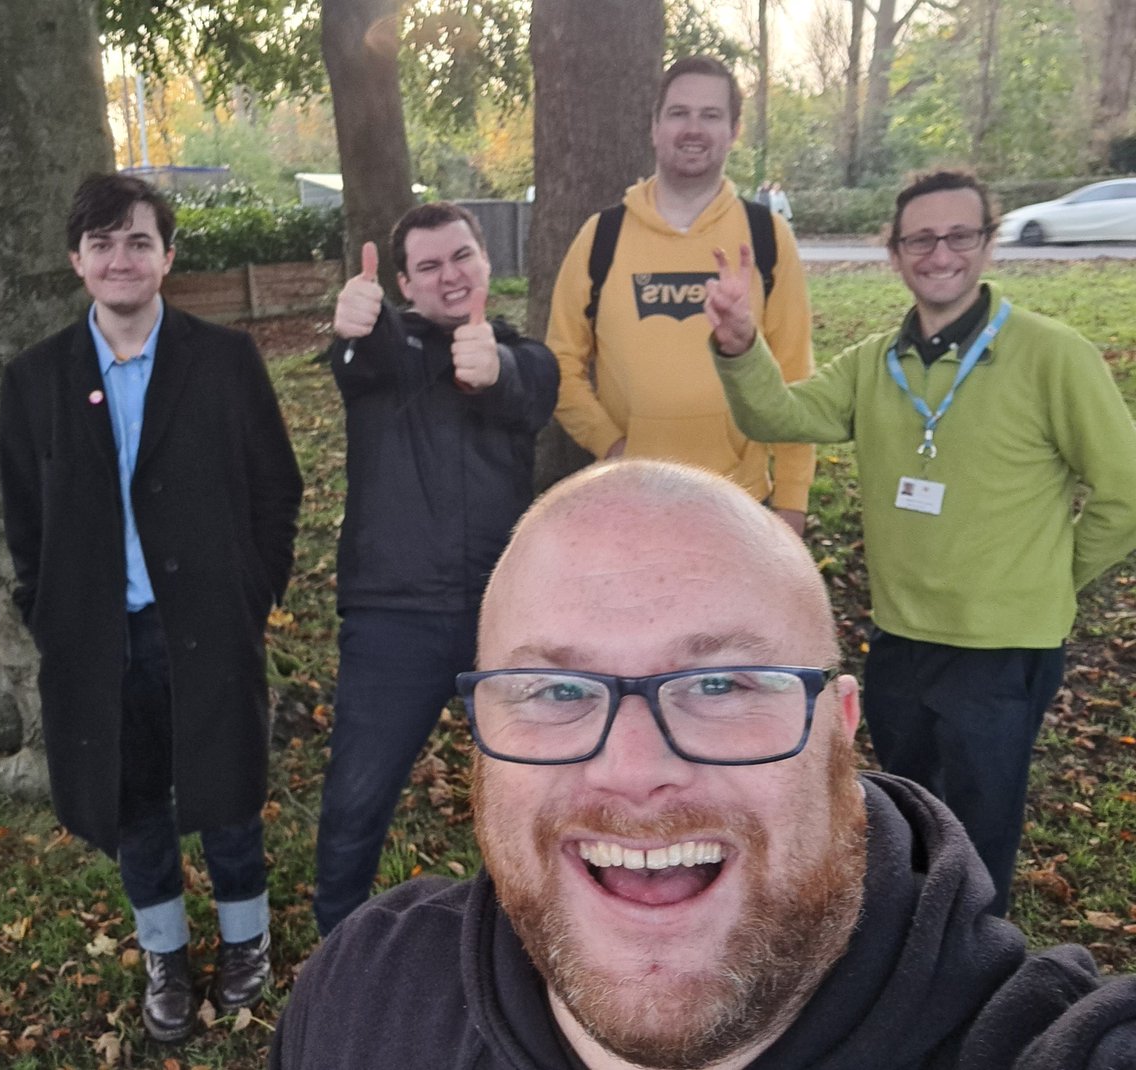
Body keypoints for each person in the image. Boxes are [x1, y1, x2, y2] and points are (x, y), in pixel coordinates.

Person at [270, 460, 1136, 1070]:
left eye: (719, 682)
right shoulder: (361, 993)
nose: (633, 770)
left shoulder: (1036, 1041)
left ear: (839, 729)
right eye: (556, 689)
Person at [706, 168, 1136, 916]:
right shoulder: (877, 362)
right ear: (896, 254)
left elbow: (1123, 492)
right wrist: (740, 343)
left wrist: (1052, 579)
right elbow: (777, 415)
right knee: (911, 814)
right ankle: (913, 951)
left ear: (987, 243)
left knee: (982, 833)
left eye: (959, 235)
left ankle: (973, 977)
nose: (941, 253)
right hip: (900, 640)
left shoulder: (1050, 355)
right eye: (921, 239)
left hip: (1002, 648)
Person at [0, 173, 302, 1042]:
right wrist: (46, 610)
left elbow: (276, 488)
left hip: (208, 621)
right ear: (76, 260)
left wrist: (254, 591)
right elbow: (25, 515)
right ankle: (164, 954)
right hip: (100, 638)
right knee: (135, 801)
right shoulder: (35, 380)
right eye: (102, 243)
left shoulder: (224, 360)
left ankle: (247, 939)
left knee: (228, 787)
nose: (120, 258)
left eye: (139, 241)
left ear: (168, 256)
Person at [312, 201, 559, 936]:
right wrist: (352, 324)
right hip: (393, 620)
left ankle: (543, 942)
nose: (449, 276)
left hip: (502, 618)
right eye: (428, 266)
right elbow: (357, 356)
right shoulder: (387, 350)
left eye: (461, 257)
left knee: (537, 794)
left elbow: (524, 388)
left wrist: (494, 370)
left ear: (486, 262)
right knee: (355, 802)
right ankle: (338, 950)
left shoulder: (528, 357)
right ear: (404, 284)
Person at [547, 55, 815, 535]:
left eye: (711, 115)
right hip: (631, 500)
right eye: (679, 113)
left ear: (734, 131)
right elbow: (560, 363)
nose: (694, 128)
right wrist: (609, 444)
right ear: (654, 127)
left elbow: (796, 381)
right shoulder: (601, 237)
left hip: (741, 505)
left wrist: (792, 503)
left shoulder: (767, 237)